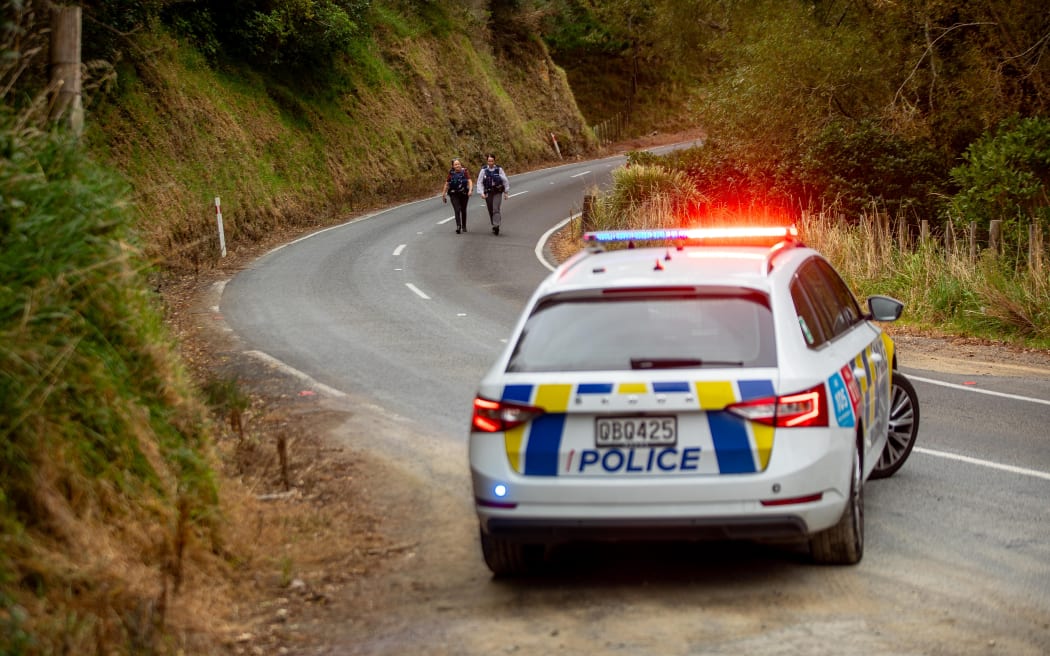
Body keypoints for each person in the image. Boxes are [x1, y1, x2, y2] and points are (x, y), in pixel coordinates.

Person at [476, 153, 509, 235]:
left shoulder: (499, 169)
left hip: (497, 192)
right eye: (489, 161)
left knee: (495, 208)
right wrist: (481, 192)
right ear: (487, 161)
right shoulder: (483, 170)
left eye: (492, 161)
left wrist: (506, 192)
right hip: (488, 192)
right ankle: (494, 224)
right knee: (490, 209)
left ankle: (496, 225)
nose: (490, 162)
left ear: (494, 161)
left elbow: (505, 180)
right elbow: (479, 182)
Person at [441, 158, 473, 234]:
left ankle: (464, 226)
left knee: (463, 209)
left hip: (464, 193)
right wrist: (443, 194)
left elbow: (469, 181)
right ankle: (458, 226)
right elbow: (447, 183)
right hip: (454, 194)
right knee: (457, 209)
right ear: (453, 166)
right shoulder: (451, 173)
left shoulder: (464, 171)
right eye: (455, 164)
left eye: (458, 164)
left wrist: (470, 190)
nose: (457, 165)